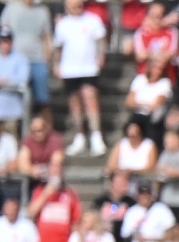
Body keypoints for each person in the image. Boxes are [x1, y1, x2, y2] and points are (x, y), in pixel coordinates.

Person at [53, 0, 106, 157]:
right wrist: (56, 65)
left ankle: (96, 136)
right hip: (70, 69)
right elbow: (58, 47)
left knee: (91, 99)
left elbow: (101, 40)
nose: (78, 7)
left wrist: (101, 56)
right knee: (75, 104)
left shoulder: (93, 19)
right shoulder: (62, 24)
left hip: (89, 68)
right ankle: (80, 136)